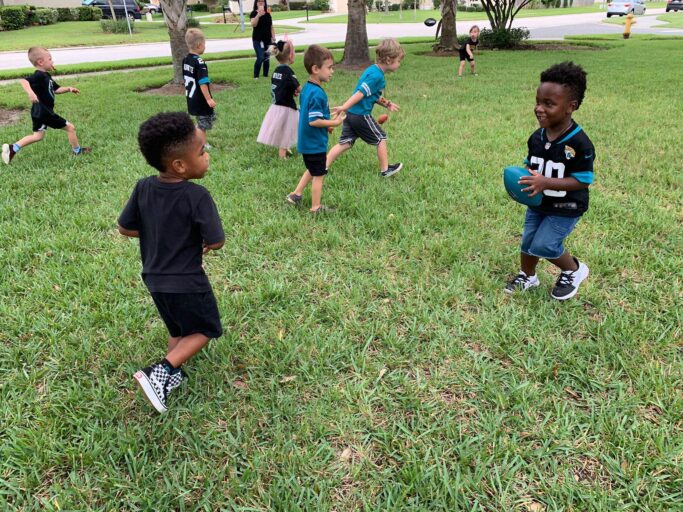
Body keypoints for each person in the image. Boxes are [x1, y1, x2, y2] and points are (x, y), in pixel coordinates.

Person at [118, 112, 225, 413]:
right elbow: (216, 240)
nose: (206, 157)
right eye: (202, 152)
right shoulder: (197, 196)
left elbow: (125, 228)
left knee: (178, 328)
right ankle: (160, 372)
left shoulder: (143, 187)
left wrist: (157, 231)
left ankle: (171, 377)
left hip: (154, 277)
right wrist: (203, 242)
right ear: (180, 165)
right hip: (187, 279)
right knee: (206, 329)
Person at [505, 62, 595, 301]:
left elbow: (583, 181)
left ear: (570, 107)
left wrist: (546, 182)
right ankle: (528, 275)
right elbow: (530, 165)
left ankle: (574, 270)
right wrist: (522, 179)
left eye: (549, 104)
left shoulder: (579, 143)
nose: (539, 109)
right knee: (528, 241)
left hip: (566, 207)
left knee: (544, 245)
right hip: (538, 204)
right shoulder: (537, 137)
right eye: (538, 101)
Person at [325, 38, 404, 178]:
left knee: (346, 143)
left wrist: (387, 103)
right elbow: (360, 93)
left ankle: (323, 166)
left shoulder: (373, 70)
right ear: (388, 60)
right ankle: (385, 170)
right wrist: (344, 106)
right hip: (360, 115)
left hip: (351, 114)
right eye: (398, 60)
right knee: (381, 138)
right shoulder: (376, 76)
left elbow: (371, 94)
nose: (399, 64)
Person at [2, 47, 90, 165]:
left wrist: (69, 88)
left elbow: (56, 89)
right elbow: (24, 81)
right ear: (41, 62)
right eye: (50, 59)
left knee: (38, 136)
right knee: (70, 128)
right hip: (45, 112)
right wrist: (31, 93)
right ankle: (77, 151)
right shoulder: (39, 75)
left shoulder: (46, 76)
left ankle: (13, 148)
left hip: (37, 111)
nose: (52, 61)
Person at [286, 45, 345, 213]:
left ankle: (296, 194)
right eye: (329, 67)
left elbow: (311, 116)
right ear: (315, 69)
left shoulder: (307, 89)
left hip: (307, 141)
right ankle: (316, 207)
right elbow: (314, 120)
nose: (332, 71)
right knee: (319, 174)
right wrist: (334, 123)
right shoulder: (318, 93)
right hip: (314, 143)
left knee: (312, 169)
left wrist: (327, 124)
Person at [256, 39, 300, 159]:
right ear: (291, 55)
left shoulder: (277, 70)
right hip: (287, 107)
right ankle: (282, 155)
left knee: (283, 128)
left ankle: (286, 148)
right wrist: (300, 90)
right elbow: (298, 87)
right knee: (287, 129)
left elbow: (282, 86)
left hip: (277, 105)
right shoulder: (288, 70)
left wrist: (292, 91)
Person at [183, 29, 217, 138]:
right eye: (204, 44)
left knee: (202, 119)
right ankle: (201, 142)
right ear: (199, 45)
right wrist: (208, 99)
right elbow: (202, 83)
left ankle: (195, 136)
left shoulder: (185, 60)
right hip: (200, 99)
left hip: (191, 98)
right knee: (204, 123)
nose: (205, 47)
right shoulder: (200, 63)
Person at [250, 0, 275, 80]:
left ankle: (265, 75)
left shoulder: (268, 14)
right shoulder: (253, 13)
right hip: (257, 40)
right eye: (259, 1)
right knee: (260, 57)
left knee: (267, 58)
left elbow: (271, 27)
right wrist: (258, 15)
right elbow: (253, 24)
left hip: (267, 40)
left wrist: (273, 37)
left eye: (262, 1)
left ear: (265, 3)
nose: (261, 3)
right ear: (256, 3)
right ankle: (256, 76)